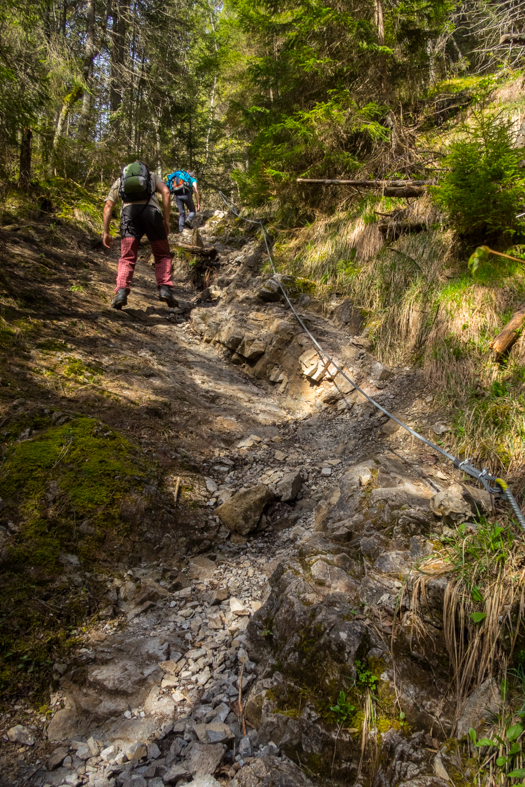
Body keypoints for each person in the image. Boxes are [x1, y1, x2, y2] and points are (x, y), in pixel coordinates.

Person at [103, 160, 178, 309]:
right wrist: (166, 220)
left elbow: (108, 206)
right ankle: (164, 288)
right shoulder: (152, 176)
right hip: (152, 214)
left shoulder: (121, 180)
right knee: (162, 254)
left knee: (127, 257)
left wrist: (106, 232)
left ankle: (121, 292)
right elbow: (166, 192)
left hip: (128, 216)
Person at [166, 169, 201, 233]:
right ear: (192, 174)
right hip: (187, 195)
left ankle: (180, 230)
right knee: (192, 211)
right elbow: (196, 190)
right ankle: (188, 220)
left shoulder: (181, 178)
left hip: (177, 196)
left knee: (182, 213)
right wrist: (198, 203)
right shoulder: (192, 179)